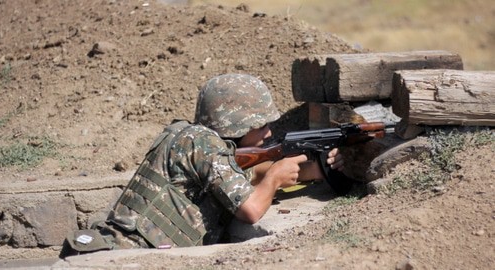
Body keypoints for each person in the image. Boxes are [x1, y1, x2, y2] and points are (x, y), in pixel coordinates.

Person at [60, 73, 345, 256]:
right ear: (237, 123)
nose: (269, 132)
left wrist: (316, 170)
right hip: (124, 253)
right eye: (261, 125)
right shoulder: (203, 143)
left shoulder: (194, 139)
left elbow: (244, 174)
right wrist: (273, 179)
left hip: (121, 249)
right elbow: (251, 210)